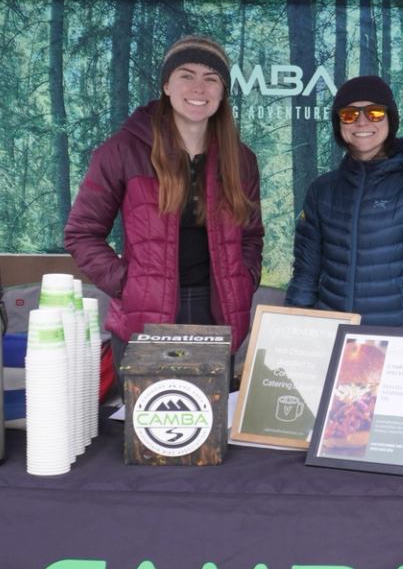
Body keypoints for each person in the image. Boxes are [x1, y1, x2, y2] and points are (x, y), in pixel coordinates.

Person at [64, 35, 263, 348]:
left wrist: (243, 281)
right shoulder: (123, 150)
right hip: (144, 316)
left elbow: (251, 236)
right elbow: (82, 233)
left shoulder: (241, 159)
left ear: (223, 92)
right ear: (166, 86)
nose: (199, 88)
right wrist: (127, 284)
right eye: (186, 76)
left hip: (216, 317)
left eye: (211, 79)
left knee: (209, 401)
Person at [286, 75, 403, 328]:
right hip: (331, 340)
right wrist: (291, 333)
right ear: (339, 124)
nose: (362, 121)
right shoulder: (321, 191)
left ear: (391, 119)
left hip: (395, 345)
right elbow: (305, 275)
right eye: (349, 115)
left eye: (375, 113)